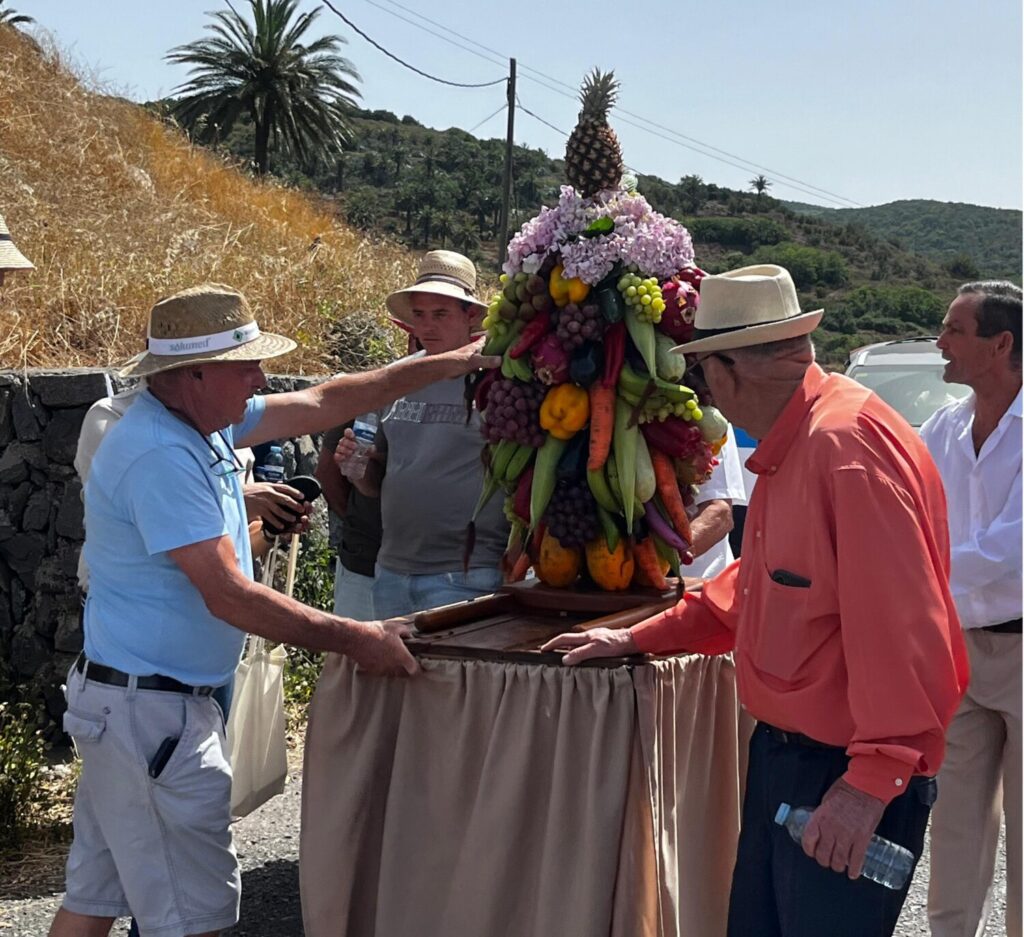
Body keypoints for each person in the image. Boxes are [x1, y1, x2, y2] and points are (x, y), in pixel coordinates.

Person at [48, 281, 495, 937]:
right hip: (153, 722)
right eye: (246, 364)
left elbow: (325, 399)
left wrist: (454, 361)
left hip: (135, 711)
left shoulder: (200, 421)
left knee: (92, 902)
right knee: (192, 918)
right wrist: (355, 636)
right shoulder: (159, 453)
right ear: (193, 373)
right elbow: (229, 591)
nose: (260, 376)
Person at [543, 264, 968, 937]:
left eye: (703, 373)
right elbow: (753, 589)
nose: (705, 394)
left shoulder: (843, 446)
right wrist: (634, 637)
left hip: (838, 770)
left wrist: (868, 784)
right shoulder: (800, 440)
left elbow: (905, 629)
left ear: (731, 369)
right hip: (791, 761)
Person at [922, 281, 1022, 937]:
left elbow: (1012, 546)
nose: (941, 340)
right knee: (953, 826)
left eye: (955, 329)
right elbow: (903, 505)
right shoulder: (944, 428)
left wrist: (918, 572)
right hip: (959, 649)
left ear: (1002, 344)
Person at [336, 250, 509, 618]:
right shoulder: (394, 379)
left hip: (469, 576)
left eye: (441, 314)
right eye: (420, 315)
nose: (427, 327)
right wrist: (358, 468)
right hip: (392, 574)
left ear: (471, 316)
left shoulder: (498, 380)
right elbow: (374, 484)